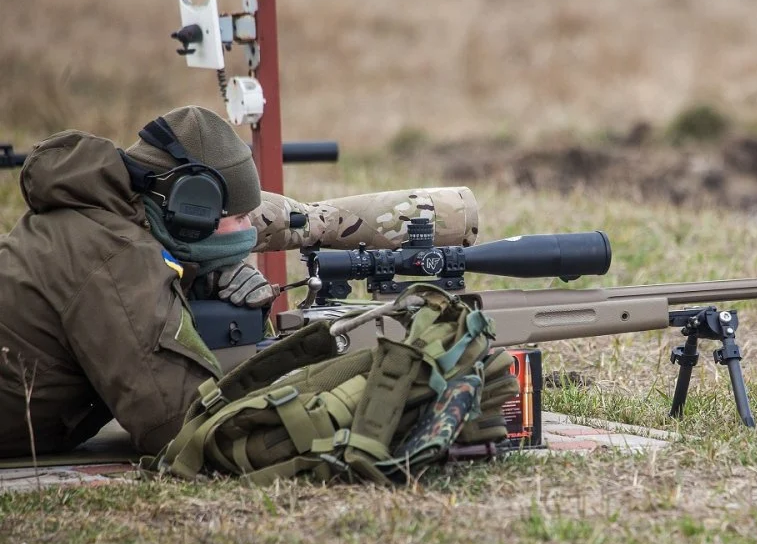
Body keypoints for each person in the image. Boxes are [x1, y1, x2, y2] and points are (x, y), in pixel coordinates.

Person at [0, 106, 479, 458]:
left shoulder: (104, 222)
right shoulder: (114, 255)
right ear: (189, 208)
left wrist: (195, 281)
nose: (250, 234)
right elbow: (184, 428)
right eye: (234, 217)